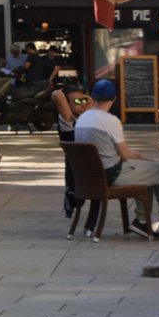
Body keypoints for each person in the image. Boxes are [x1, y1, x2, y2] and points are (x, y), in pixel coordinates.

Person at [74, 78, 159, 239]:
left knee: (147, 171)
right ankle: (154, 222)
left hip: (90, 176)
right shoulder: (110, 120)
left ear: (92, 96)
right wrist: (139, 156)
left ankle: (142, 222)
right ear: (114, 99)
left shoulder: (82, 118)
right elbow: (124, 154)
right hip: (111, 173)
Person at [52, 74, 89, 218]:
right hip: (76, 172)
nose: (83, 104)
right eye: (77, 101)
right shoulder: (67, 121)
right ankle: (70, 198)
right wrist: (63, 91)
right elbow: (57, 95)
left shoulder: (87, 116)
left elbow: (90, 101)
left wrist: (83, 99)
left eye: (84, 100)